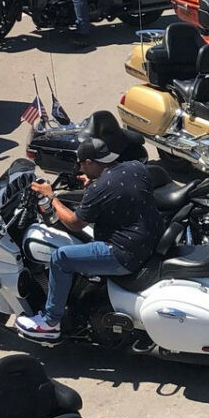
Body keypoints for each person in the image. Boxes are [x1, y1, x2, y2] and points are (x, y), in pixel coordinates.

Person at [13, 133, 163, 341]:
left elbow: (74, 223)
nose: (80, 169)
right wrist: (95, 181)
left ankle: (50, 322)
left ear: (91, 162)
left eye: (82, 164)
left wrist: (51, 197)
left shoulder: (100, 188)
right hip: (149, 239)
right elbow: (120, 189)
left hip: (123, 253)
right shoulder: (135, 167)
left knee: (61, 258)